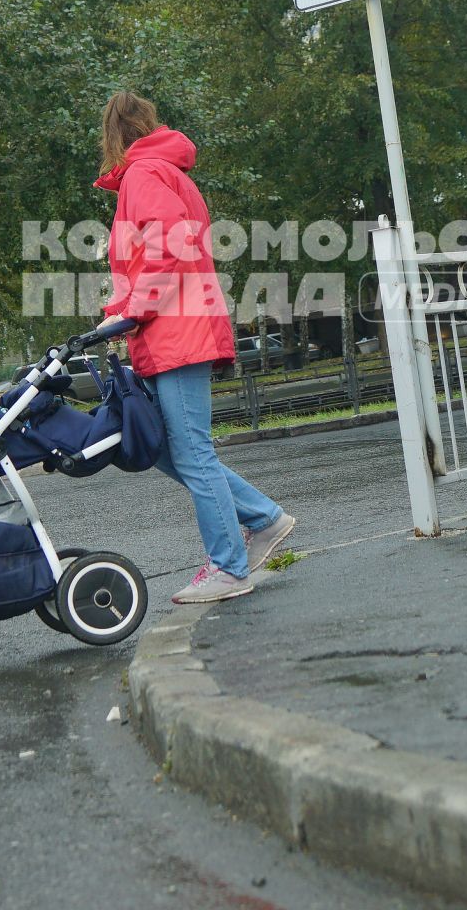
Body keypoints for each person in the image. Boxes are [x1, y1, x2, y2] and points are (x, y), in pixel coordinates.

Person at [95, 91, 295, 603]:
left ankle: (229, 566)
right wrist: (123, 310)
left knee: (191, 451)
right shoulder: (164, 173)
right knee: (163, 449)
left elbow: (166, 247)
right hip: (170, 328)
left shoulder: (144, 176)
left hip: (174, 330)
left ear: (114, 138)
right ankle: (264, 519)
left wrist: (134, 309)